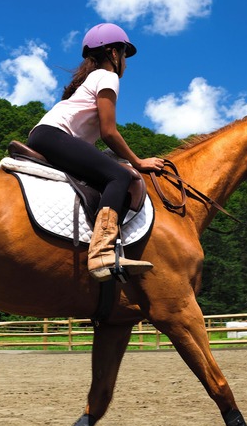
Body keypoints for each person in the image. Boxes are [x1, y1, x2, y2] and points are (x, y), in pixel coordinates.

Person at [27, 22, 165, 280]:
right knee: (121, 176)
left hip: (45, 135)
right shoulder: (108, 76)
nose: (126, 62)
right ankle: (101, 251)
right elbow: (109, 132)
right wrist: (138, 161)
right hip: (53, 136)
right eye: (125, 55)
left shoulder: (90, 78)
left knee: (112, 169)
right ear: (114, 53)